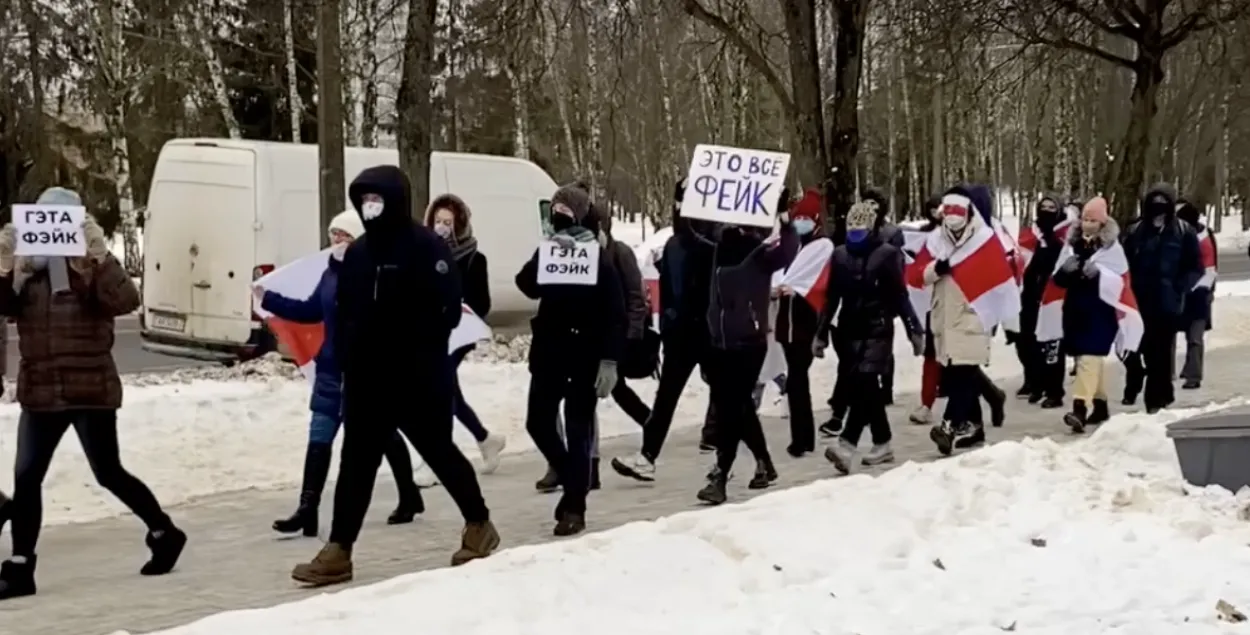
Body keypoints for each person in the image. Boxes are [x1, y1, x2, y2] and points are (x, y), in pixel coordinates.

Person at [292, 166, 498, 587]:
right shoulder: (359, 253)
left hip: (416, 375)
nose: (370, 207)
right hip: (367, 379)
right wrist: (348, 356)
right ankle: (339, 549)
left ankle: (479, 524)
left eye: (376, 199)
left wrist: (416, 349)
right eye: (363, 200)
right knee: (356, 463)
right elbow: (346, 312)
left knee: (440, 452)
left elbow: (446, 309)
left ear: (395, 200)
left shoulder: (426, 248)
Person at [0, 187, 187, 599]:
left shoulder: (90, 269)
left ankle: (164, 531)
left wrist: (101, 258)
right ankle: (19, 566)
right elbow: (4, 304)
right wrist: (3, 263)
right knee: (27, 477)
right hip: (41, 389)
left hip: (90, 387)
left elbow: (125, 300)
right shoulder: (27, 273)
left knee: (108, 473)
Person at [260, 210, 424, 537]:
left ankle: (408, 493)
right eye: (333, 234)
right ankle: (307, 509)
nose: (336, 241)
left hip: (363, 372)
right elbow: (309, 310)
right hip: (330, 369)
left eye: (344, 236)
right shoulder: (329, 274)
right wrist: (270, 299)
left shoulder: (372, 275)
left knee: (383, 434)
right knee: (319, 436)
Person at [516, 183, 625, 536]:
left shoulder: (600, 258)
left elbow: (615, 312)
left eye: (565, 214)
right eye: (555, 214)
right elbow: (526, 284)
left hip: (584, 357)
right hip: (549, 354)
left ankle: (574, 507)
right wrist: (545, 252)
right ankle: (570, 475)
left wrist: (610, 360)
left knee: (578, 430)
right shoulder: (550, 251)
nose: (558, 219)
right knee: (538, 422)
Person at [612, 178, 717, 482]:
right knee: (666, 397)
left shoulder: (714, 244)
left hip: (708, 333)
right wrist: (668, 329)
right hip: (681, 336)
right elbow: (671, 291)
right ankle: (647, 457)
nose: (679, 209)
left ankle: (754, 459)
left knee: (729, 396)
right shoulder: (673, 244)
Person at [698, 201, 799, 506]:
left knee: (731, 408)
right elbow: (691, 232)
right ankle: (764, 463)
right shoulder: (717, 247)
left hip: (748, 341)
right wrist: (682, 204)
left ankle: (721, 474)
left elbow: (788, 251)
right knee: (738, 406)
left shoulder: (759, 252)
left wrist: (786, 220)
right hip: (719, 340)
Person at [819, 201, 925, 473]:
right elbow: (831, 298)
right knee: (863, 388)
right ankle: (883, 442)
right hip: (849, 329)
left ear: (870, 229)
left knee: (867, 379)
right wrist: (820, 334)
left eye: (860, 231)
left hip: (878, 327)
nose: (854, 236)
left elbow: (900, 295)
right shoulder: (840, 255)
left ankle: (847, 444)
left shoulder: (887, 254)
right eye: (850, 231)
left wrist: (915, 329)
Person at [426, 194, 508, 472]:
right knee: (448, 392)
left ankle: (440, 459)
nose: (441, 227)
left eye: (447, 222)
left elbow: (482, 303)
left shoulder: (473, 258)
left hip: (459, 334)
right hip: (433, 332)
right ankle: (485, 439)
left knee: (440, 389)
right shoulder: (427, 254)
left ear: (459, 225)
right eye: (437, 221)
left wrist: (458, 305)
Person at [923, 185, 1005, 454]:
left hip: (972, 314)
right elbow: (917, 273)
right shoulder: (939, 238)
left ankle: (949, 426)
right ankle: (980, 417)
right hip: (945, 314)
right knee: (959, 371)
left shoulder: (987, 240)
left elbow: (999, 278)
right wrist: (937, 268)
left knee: (963, 372)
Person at [1120, 183, 1202, 414]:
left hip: (1167, 303)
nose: (1158, 212)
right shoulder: (1135, 232)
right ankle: (1162, 390)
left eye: (1162, 205)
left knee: (1161, 352)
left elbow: (1195, 267)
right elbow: (1124, 263)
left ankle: (1154, 400)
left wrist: (1179, 288)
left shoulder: (1184, 232)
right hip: (1139, 300)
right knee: (1141, 349)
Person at [1054, 198, 1118, 432]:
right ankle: (1100, 405)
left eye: (1093, 220)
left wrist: (1101, 274)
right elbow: (1058, 280)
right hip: (1076, 311)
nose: (1088, 224)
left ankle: (1079, 408)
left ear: (1102, 223)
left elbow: (1121, 277)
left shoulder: (1111, 248)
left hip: (1101, 311)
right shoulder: (1072, 246)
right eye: (1085, 219)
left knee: (1089, 358)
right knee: (1086, 360)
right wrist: (1065, 272)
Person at [775, 188, 825, 456]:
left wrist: (800, 291)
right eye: (798, 218)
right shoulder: (793, 244)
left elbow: (820, 282)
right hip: (788, 323)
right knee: (797, 381)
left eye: (806, 218)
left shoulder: (821, 247)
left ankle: (801, 438)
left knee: (796, 379)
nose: (801, 222)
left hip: (806, 323)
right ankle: (805, 437)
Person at [1017, 194, 1068, 407]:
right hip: (1030, 295)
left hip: (1054, 298)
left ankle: (1054, 390)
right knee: (1028, 341)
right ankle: (1035, 383)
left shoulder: (1064, 237)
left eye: (1051, 207)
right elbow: (1020, 260)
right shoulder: (1032, 235)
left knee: (1052, 344)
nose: (1046, 211)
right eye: (1043, 207)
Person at [908, 194, 945, 427]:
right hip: (937, 304)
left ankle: (990, 395)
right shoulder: (931, 238)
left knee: (959, 361)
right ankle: (926, 404)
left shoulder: (974, 237)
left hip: (961, 308)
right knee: (932, 355)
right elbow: (919, 273)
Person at [1175, 198, 1216, 390]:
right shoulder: (1174, 235)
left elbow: (1212, 266)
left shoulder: (1205, 237)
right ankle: (1166, 373)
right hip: (1177, 293)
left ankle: (1194, 375)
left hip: (1200, 293)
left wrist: (1208, 291)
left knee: (1195, 338)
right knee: (1167, 336)